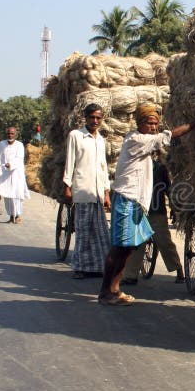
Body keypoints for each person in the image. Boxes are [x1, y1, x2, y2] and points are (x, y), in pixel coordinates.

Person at [99, 105, 194, 306]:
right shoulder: (136, 140)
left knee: (128, 248)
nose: (152, 127)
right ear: (139, 124)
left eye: (155, 123)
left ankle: (115, 289)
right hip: (126, 200)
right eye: (148, 123)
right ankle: (105, 291)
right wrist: (192, 125)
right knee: (118, 248)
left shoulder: (145, 144)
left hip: (137, 203)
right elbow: (167, 137)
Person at [63, 104, 111, 279]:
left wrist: (106, 192)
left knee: (100, 232)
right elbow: (70, 162)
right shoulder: (76, 136)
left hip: (97, 193)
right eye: (92, 117)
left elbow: (103, 167)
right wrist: (67, 186)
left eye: (98, 118)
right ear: (86, 117)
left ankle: (97, 266)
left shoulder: (100, 139)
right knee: (83, 232)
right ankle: (79, 267)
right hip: (82, 190)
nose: (95, 121)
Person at [124, 156, 184, 285]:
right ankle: (130, 275)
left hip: (157, 211)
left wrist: (173, 206)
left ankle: (178, 270)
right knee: (137, 243)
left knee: (164, 241)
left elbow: (168, 188)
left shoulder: (160, 168)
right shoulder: (134, 167)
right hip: (138, 210)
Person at [0, 127, 30, 224]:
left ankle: (17, 216)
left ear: (15, 135)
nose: (10, 135)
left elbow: (19, 158)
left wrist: (11, 164)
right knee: (7, 196)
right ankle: (11, 216)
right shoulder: (1, 144)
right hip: (4, 173)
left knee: (16, 195)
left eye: (12, 134)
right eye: (8, 133)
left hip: (16, 174)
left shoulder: (19, 145)